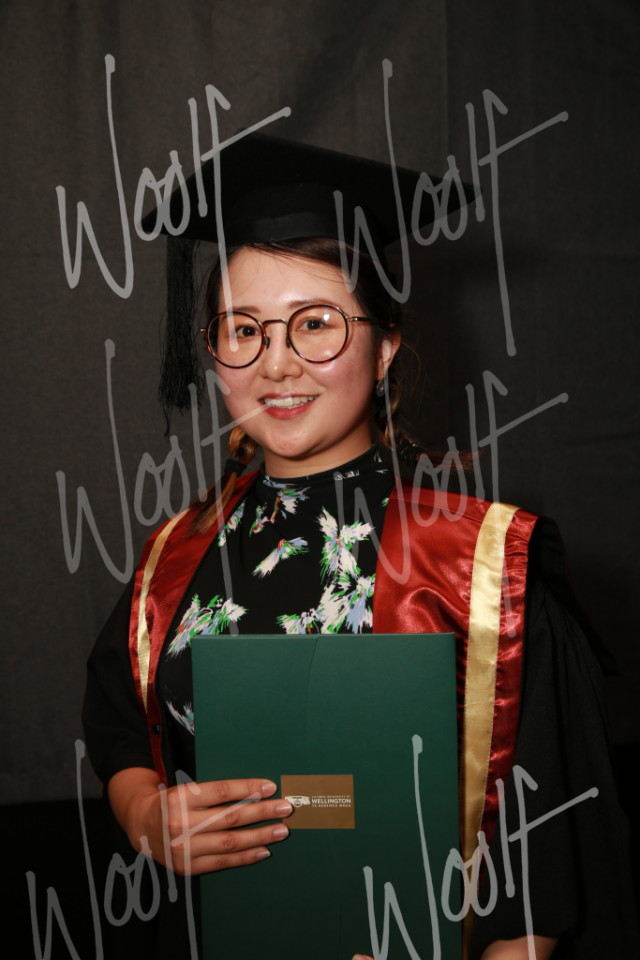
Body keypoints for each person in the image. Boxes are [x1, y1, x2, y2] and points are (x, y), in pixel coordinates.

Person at [83, 132, 636, 959]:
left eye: (315, 325)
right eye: (242, 329)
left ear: (385, 348)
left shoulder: (484, 567)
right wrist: (145, 817)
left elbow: (541, 880)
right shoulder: (177, 554)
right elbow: (122, 728)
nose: (276, 365)